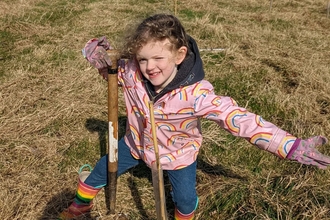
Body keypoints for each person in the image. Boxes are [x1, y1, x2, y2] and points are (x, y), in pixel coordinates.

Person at [58, 13, 330, 220]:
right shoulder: (132, 72)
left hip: (178, 155)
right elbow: (110, 72)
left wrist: (288, 145)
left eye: (157, 59)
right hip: (135, 145)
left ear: (179, 55)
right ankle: (81, 205)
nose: (149, 67)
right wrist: (96, 55)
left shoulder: (196, 95)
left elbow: (239, 118)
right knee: (98, 172)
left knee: (185, 200)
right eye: (142, 59)